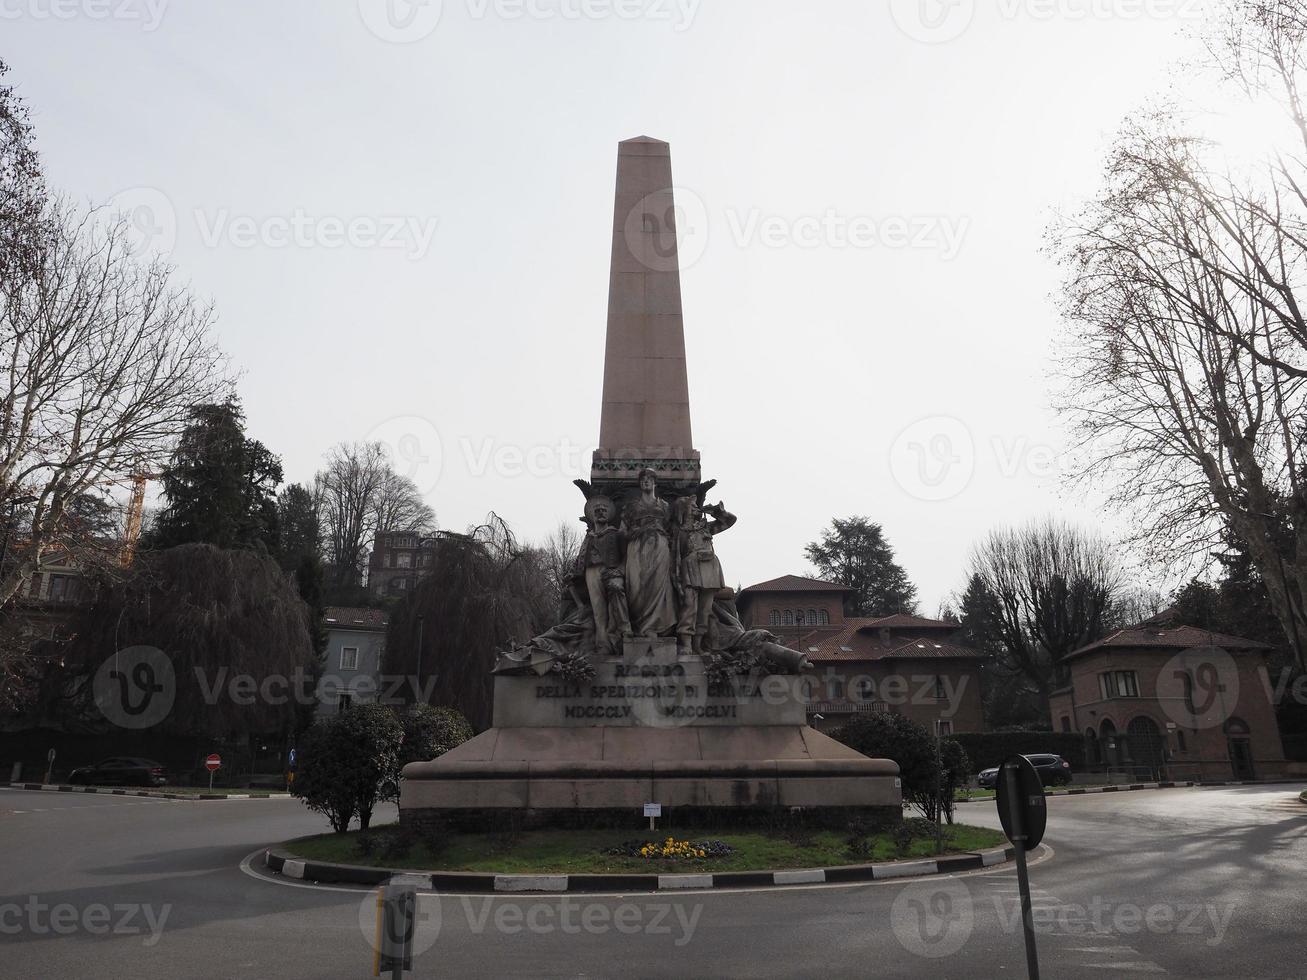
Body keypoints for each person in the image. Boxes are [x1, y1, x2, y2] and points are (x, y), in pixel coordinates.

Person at [673, 496, 736, 655]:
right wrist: (677, 579)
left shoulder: (706, 527)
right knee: (689, 606)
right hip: (691, 569)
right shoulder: (680, 532)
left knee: (705, 609)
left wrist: (716, 512)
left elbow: (730, 521)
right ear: (684, 510)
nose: (696, 508)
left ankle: (698, 644)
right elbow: (676, 557)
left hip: (709, 570)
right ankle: (686, 643)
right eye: (692, 506)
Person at [621, 468, 676, 637]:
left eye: (649, 478)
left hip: (659, 545)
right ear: (639, 483)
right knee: (635, 585)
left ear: (654, 482)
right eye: (643, 479)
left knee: (659, 584)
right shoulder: (631, 506)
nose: (646, 481)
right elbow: (622, 530)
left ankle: (655, 627)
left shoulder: (665, 506)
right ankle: (638, 626)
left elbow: (672, 530)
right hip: (636, 546)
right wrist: (632, 534)